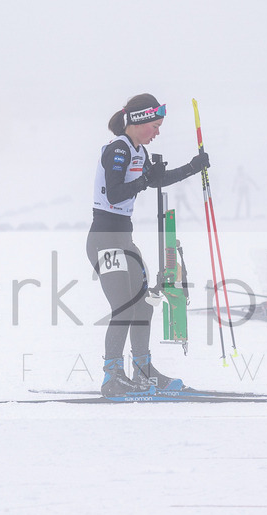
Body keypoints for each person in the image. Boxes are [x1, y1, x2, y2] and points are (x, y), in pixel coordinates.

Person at [87, 93, 210, 397]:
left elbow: (154, 181)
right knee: (124, 306)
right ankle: (112, 376)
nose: (158, 132)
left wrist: (193, 168)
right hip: (104, 239)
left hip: (123, 238)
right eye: (155, 125)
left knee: (143, 302)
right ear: (140, 122)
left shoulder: (137, 150)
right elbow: (116, 194)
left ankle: (143, 371)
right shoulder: (119, 150)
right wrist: (144, 180)